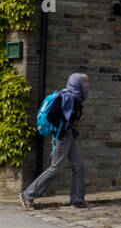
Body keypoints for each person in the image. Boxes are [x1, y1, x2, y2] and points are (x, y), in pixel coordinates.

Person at [21, 72, 90, 209]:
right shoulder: (65, 97)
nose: (87, 85)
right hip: (62, 137)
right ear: (78, 83)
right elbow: (52, 115)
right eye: (85, 82)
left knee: (78, 166)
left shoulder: (76, 98)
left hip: (70, 137)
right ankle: (27, 195)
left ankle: (77, 200)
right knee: (55, 169)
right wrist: (63, 129)